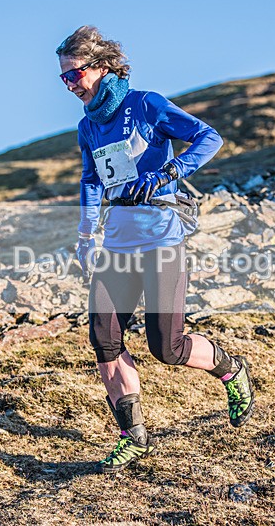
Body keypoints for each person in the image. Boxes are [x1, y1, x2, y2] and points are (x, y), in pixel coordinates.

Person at [56, 26, 255, 474]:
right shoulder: (88, 125)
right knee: (104, 338)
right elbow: (91, 180)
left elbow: (208, 137)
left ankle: (231, 369)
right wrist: (87, 235)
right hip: (116, 242)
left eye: (75, 75)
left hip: (162, 236)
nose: (70, 85)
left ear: (102, 67)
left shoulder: (146, 104)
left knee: (167, 346)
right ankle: (134, 437)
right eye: (63, 79)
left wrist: (170, 170)